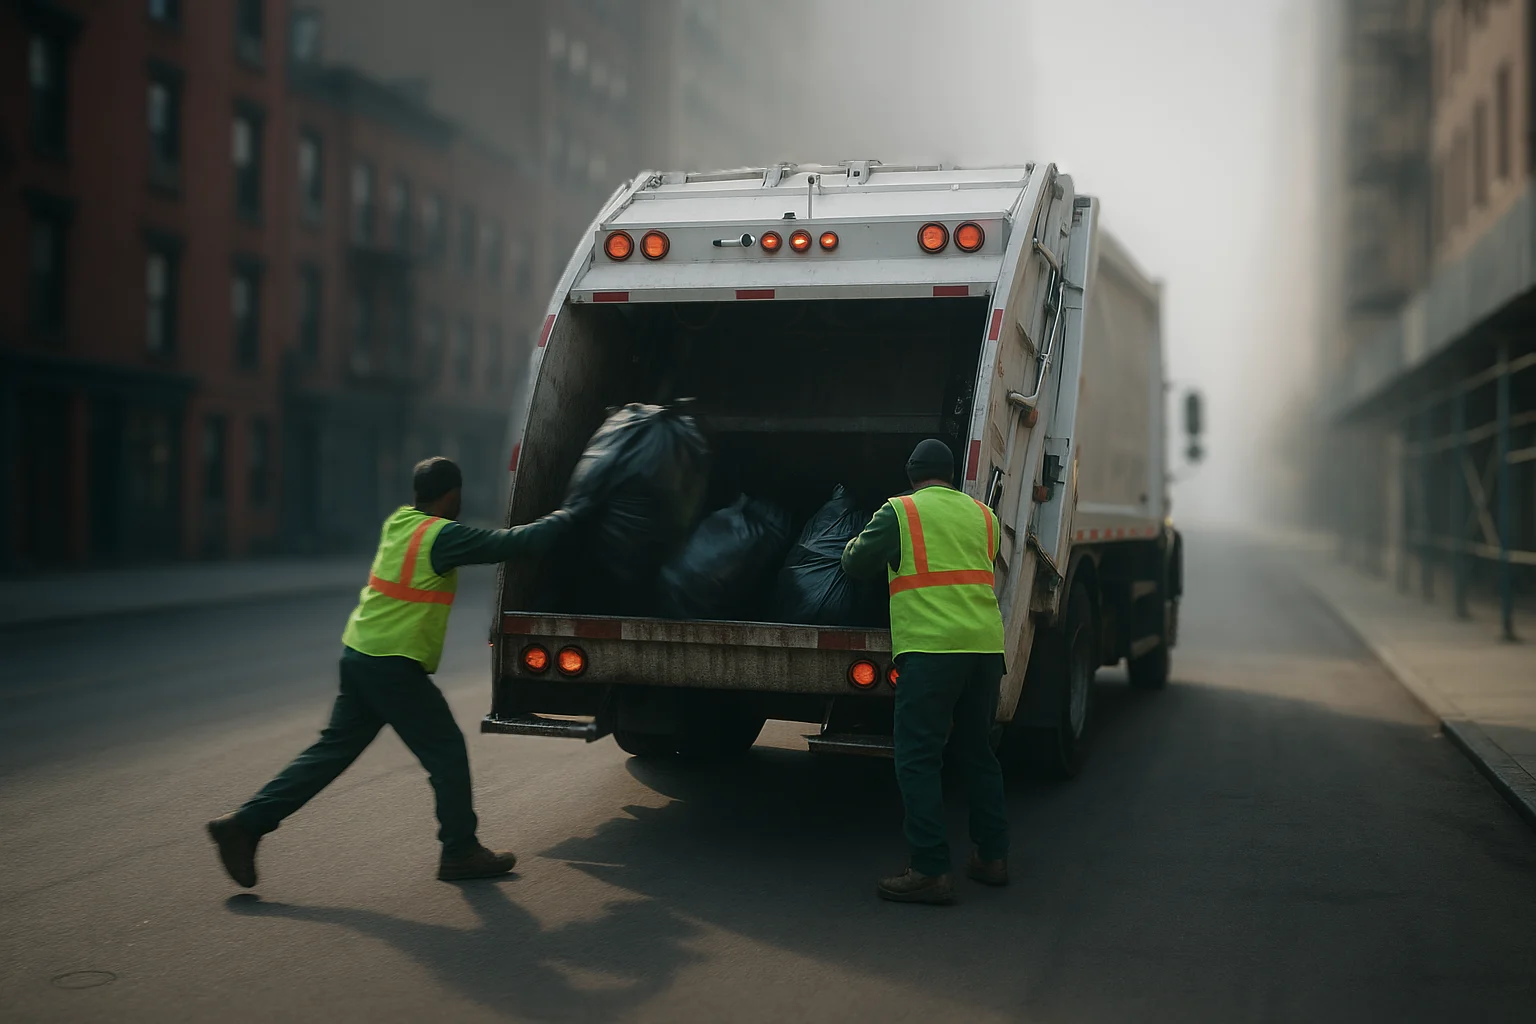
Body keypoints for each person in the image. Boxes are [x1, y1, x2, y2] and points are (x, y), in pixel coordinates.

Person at [208, 457, 577, 887]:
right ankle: (459, 851)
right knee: (446, 751)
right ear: (453, 495)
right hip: (392, 666)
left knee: (331, 753)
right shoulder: (441, 536)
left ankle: (246, 823)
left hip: (359, 655)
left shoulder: (399, 523)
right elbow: (511, 544)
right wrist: (570, 515)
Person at [840, 438, 1009, 905]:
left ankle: (931, 869)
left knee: (917, 758)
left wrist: (850, 541)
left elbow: (856, 564)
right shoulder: (985, 516)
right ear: (951, 474)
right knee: (978, 753)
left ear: (912, 475)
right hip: (984, 649)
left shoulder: (900, 512)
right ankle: (993, 857)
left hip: (932, 650)